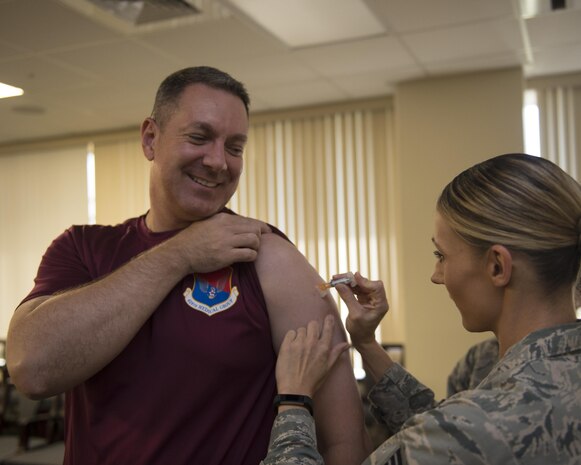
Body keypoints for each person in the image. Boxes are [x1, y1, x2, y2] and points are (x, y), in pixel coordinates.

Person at [5, 67, 370, 465]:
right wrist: (179, 254)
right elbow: (32, 370)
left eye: (234, 147)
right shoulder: (82, 249)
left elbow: (343, 441)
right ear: (150, 139)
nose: (218, 162)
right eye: (199, 137)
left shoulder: (266, 255)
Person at [261, 153, 581, 464]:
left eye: (441, 256)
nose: (436, 276)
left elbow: (456, 434)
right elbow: (449, 431)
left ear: (497, 266)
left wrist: (294, 400)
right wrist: (368, 344)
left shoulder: (478, 425)